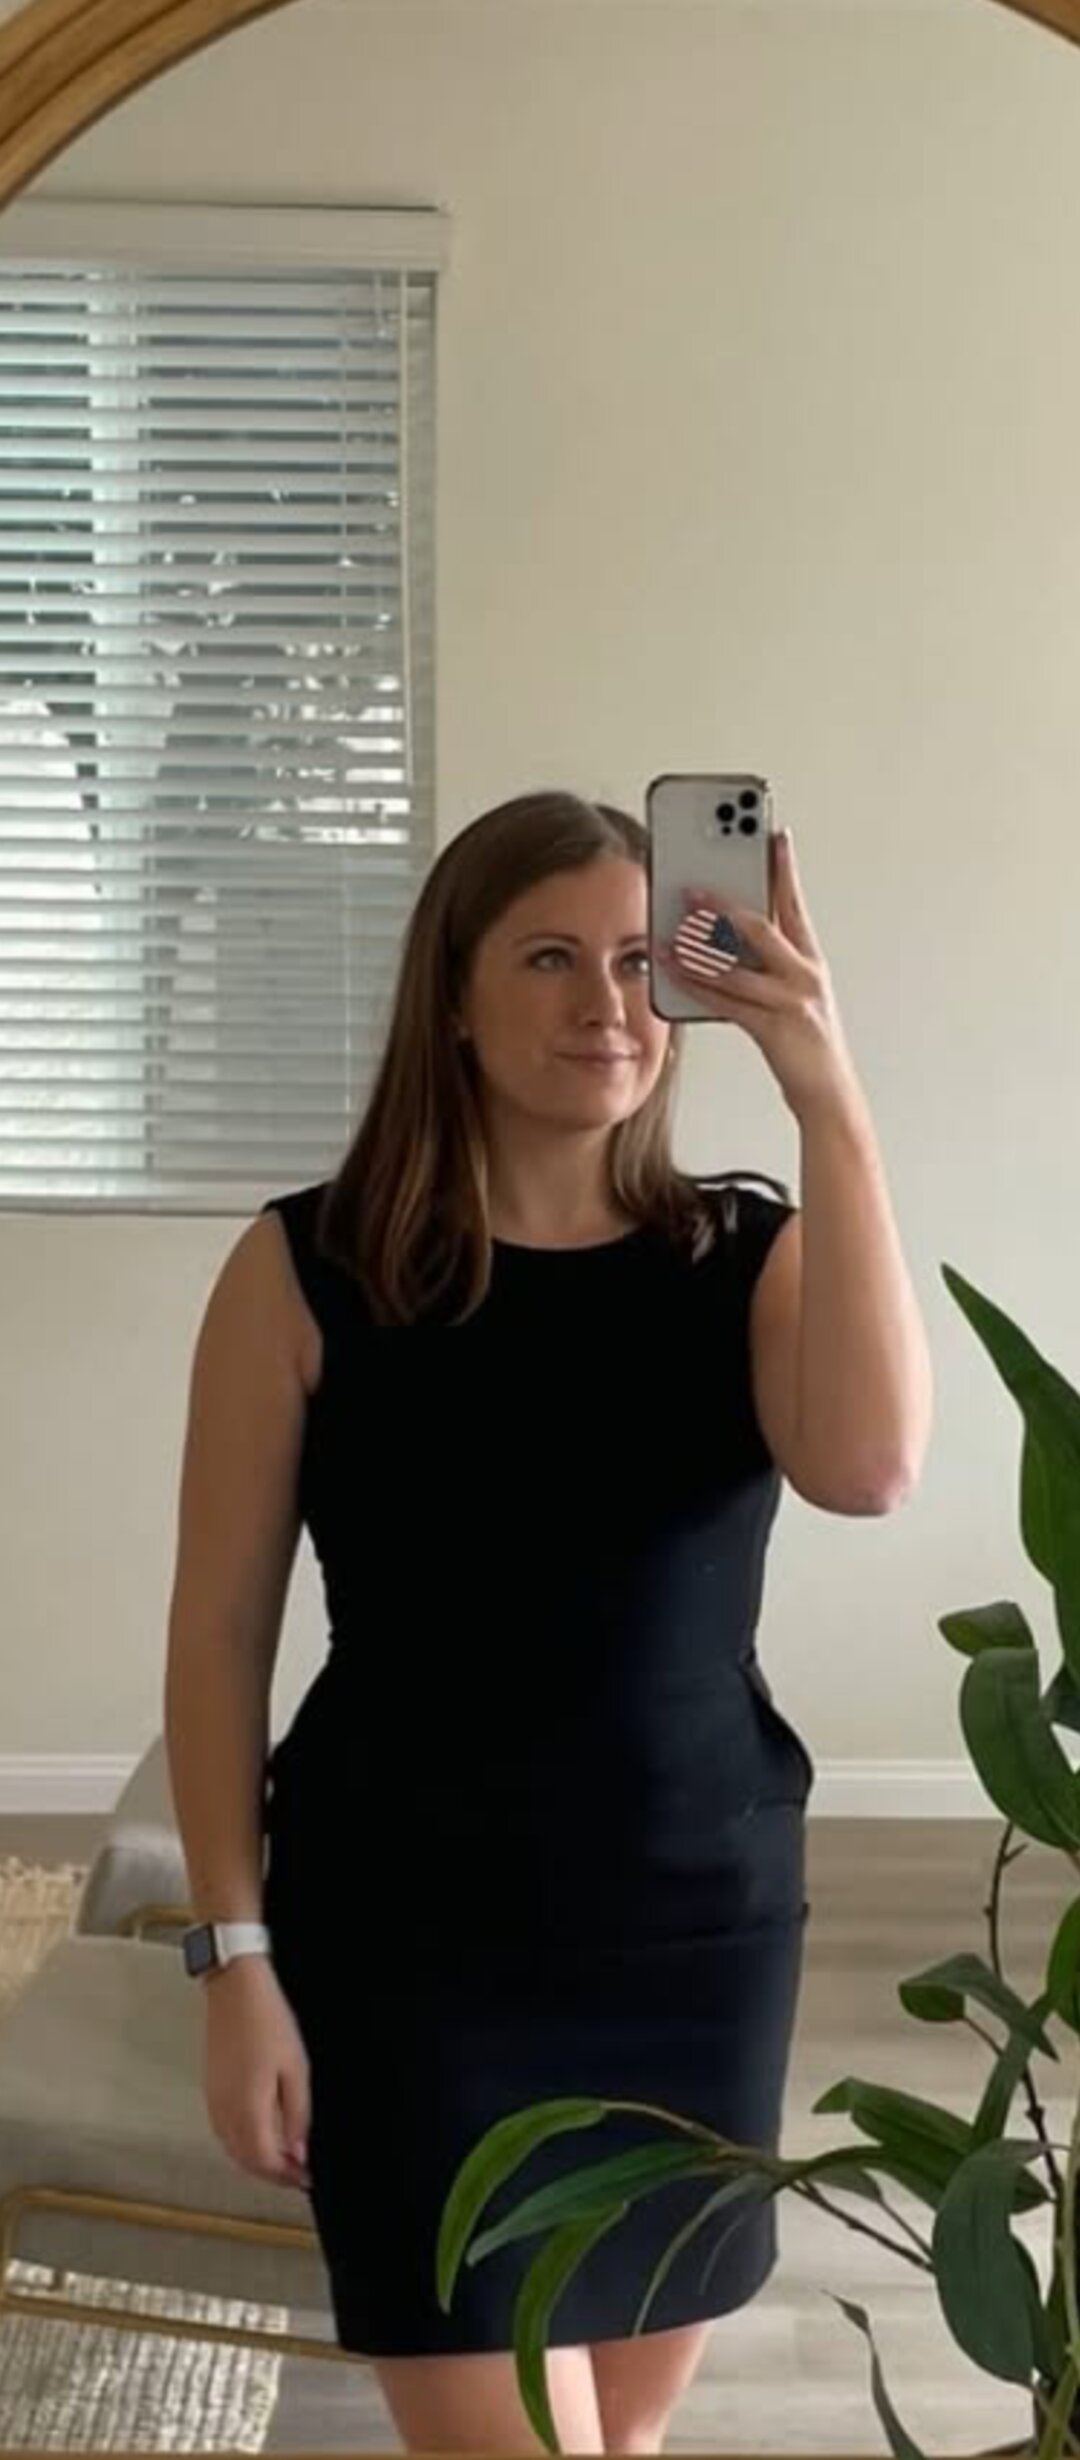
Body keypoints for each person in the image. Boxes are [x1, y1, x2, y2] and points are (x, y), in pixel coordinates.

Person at [163, 789, 931, 2457]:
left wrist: (826, 1086)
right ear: (452, 994)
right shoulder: (305, 1271)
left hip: (692, 1935)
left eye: (643, 961)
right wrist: (236, 1961)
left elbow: (871, 1468)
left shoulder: (747, 1255)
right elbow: (218, 1637)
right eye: (548, 959)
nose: (607, 1002)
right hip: (406, 1950)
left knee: (622, 2439)